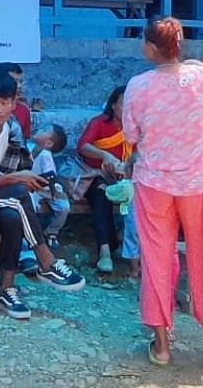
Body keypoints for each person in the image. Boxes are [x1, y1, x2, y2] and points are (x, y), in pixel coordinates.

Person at [122, 16, 203, 377]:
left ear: (150, 47)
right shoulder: (201, 77)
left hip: (154, 183)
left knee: (157, 260)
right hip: (198, 182)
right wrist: (197, 66)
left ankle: (162, 346)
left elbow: (130, 134)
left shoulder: (137, 86)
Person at [0, 71, 84, 320]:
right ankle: (46, 260)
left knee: (12, 215)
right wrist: (16, 179)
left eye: (3, 102)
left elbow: (15, 169)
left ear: (14, 103)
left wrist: (26, 177)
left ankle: (6, 288)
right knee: (16, 195)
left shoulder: (12, 127)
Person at [64, 85, 132, 273]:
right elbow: (82, 146)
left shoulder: (136, 127)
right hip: (95, 174)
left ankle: (126, 249)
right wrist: (105, 156)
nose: (128, 108)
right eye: (124, 104)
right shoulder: (100, 122)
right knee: (101, 194)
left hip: (125, 178)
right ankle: (105, 252)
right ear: (113, 105)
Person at [28, 124, 71, 249]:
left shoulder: (45, 154)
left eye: (44, 130)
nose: (39, 129)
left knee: (64, 207)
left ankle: (52, 231)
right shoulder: (27, 148)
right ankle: (30, 234)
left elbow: (50, 176)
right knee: (30, 205)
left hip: (46, 187)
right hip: (31, 187)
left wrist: (54, 193)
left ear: (48, 143)